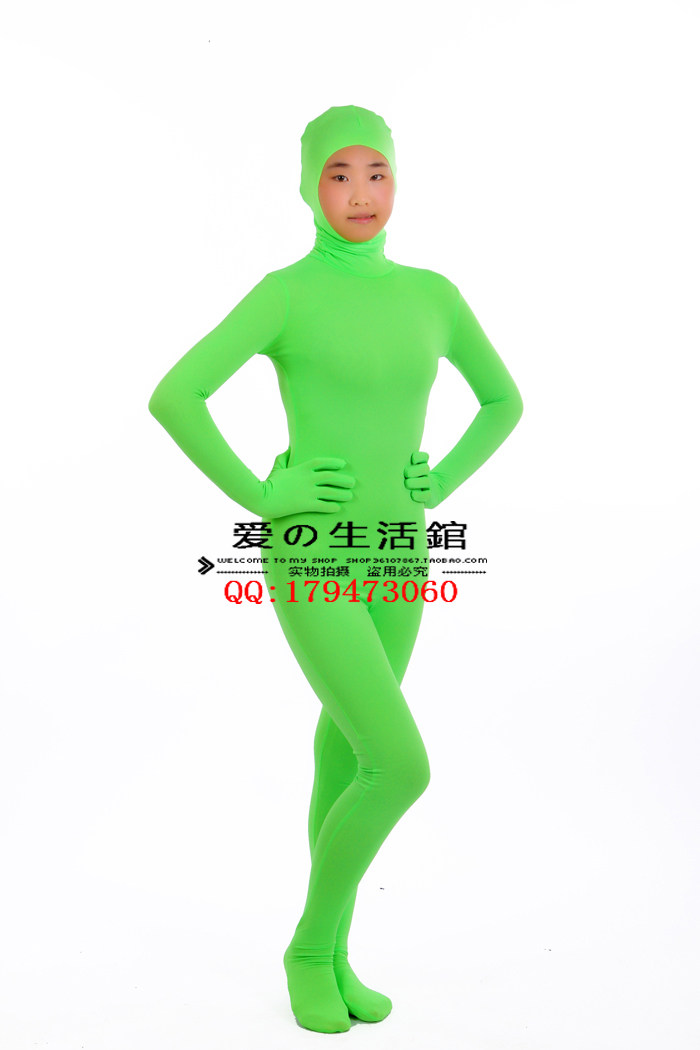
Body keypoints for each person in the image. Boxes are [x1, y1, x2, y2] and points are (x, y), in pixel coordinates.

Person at [148, 104, 523, 1034]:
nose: (360, 194)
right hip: (311, 549)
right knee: (401, 765)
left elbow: (503, 401)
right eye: (339, 174)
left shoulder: (434, 295)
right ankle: (311, 949)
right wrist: (261, 494)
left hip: (400, 551)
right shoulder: (286, 294)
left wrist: (442, 479)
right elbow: (176, 394)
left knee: (350, 751)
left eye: (376, 173)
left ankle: (339, 953)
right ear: (307, 188)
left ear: (399, 181)